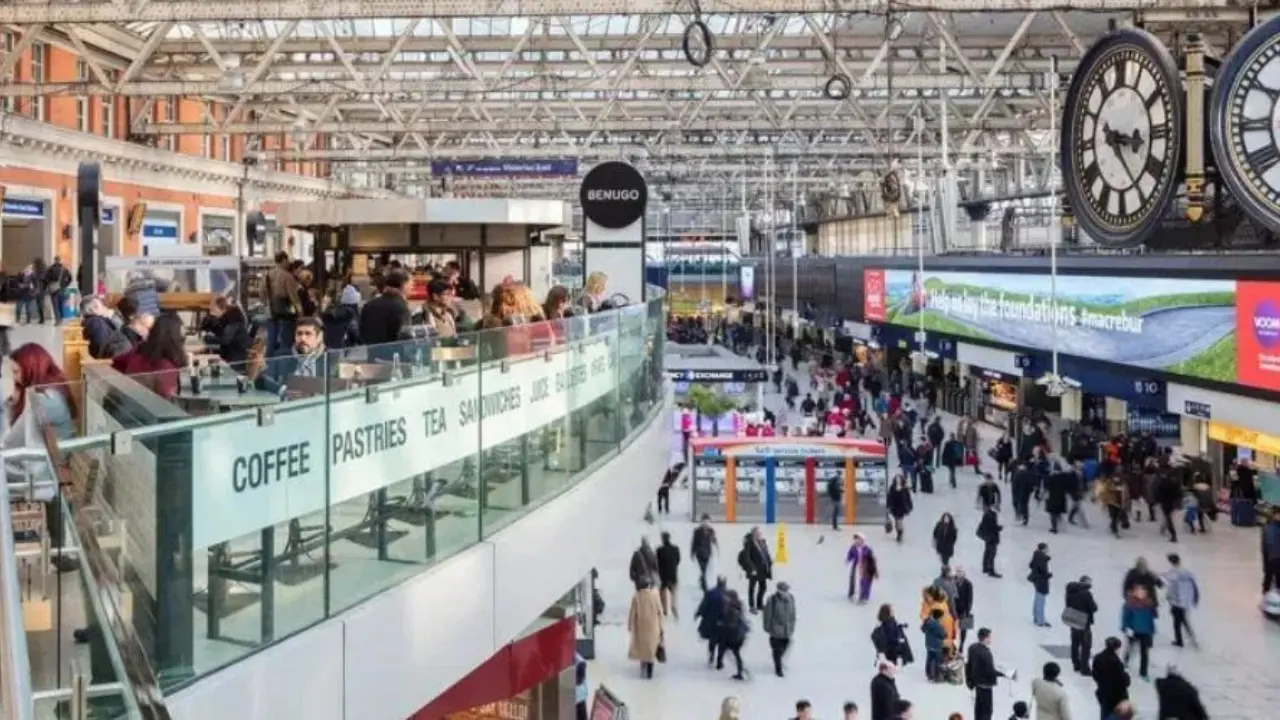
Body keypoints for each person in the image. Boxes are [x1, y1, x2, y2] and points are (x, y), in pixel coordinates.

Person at [111, 312, 187, 400]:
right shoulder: (166, 365)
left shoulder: (139, 349)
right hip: (147, 408)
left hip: (129, 402)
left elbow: (117, 362)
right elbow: (166, 398)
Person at [359, 268, 413, 352]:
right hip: (395, 359)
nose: (412, 287)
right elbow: (406, 337)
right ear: (404, 285)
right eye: (411, 284)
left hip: (372, 355)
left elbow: (362, 333)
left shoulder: (368, 305)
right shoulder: (401, 308)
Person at [263, 251, 302, 358]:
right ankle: (282, 366)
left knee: (271, 341)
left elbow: (262, 294)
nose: (289, 263)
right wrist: (300, 312)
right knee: (285, 342)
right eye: (287, 260)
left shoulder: (267, 275)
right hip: (285, 313)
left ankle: (269, 365)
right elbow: (294, 298)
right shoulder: (287, 276)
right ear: (284, 260)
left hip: (270, 313)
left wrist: (267, 306)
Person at [966, 627, 1009, 720]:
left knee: (978, 708)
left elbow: (969, 664)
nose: (991, 639)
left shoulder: (972, 647)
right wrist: (1005, 674)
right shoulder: (986, 653)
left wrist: (968, 679)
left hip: (976, 682)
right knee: (987, 710)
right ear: (985, 638)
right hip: (986, 684)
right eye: (990, 637)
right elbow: (990, 671)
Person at [626, 577, 664, 679]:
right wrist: (662, 628)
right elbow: (660, 613)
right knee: (651, 650)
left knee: (642, 649)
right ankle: (650, 674)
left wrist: (630, 625)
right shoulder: (655, 596)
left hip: (640, 627)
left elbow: (632, 613)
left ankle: (642, 670)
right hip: (654, 627)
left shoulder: (637, 597)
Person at [200, 296, 252, 365]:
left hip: (239, 355)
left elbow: (225, 340)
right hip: (233, 351)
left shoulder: (233, 318)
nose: (212, 313)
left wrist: (207, 338)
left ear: (219, 308)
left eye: (213, 310)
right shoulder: (226, 318)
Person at [1162, 553, 1199, 648]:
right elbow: (1193, 585)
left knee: (1178, 622)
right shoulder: (1186, 572)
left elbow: (1172, 586)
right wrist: (1195, 597)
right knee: (1182, 620)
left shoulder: (1174, 573)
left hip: (1177, 601)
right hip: (1185, 601)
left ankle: (1181, 640)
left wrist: (1168, 596)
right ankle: (1188, 637)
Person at [1064, 575, 1098, 675]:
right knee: (1086, 646)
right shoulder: (1086, 594)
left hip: (1073, 620)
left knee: (1075, 644)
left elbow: (1068, 605)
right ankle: (1085, 669)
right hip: (1084, 622)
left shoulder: (1070, 592)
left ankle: (1076, 664)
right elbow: (1093, 608)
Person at [1120, 586, 1156, 680]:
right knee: (1130, 647)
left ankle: (1143, 672)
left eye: (1144, 591)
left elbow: (1151, 618)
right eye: (1139, 591)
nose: (1142, 593)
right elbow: (1125, 617)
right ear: (1135, 592)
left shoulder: (1149, 604)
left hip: (1145, 631)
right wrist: (1125, 627)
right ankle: (1125, 661)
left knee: (1145, 652)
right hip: (1133, 630)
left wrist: (1152, 630)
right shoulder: (1130, 604)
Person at [1091, 637, 1130, 720]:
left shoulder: (1098, 658)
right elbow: (1123, 680)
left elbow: (1094, 674)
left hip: (1103, 692)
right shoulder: (1116, 662)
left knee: (1104, 714)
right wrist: (1127, 677)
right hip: (1116, 696)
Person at [763, 582, 796, 677]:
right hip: (776, 630)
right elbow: (767, 615)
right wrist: (767, 627)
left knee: (785, 646)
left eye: (787, 590)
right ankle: (778, 669)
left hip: (787, 629)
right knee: (777, 649)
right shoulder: (772, 600)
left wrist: (792, 626)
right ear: (779, 590)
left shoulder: (791, 599)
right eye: (784, 590)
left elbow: (793, 613)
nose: (786, 592)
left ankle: (778, 659)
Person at [717, 588, 749, 680]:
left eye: (726, 597)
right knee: (731, 652)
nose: (724, 598)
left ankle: (740, 672)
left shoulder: (733, 609)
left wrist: (722, 624)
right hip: (736, 635)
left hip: (734, 636)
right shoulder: (734, 605)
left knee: (734, 653)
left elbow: (732, 624)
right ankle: (737, 670)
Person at [738, 527, 773, 612]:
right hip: (754, 570)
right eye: (757, 533)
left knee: (763, 587)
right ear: (753, 534)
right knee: (752, 588)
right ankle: (752, 606)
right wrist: (752, 568)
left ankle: (759, 604)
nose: (760, 534)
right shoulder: (749, 543)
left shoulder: (763, 542)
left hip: (763, 569)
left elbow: (766, 553)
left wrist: (769, 561)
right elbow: (747, 557)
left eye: (760, 533)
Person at [695, 577, 728, 667]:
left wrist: (698, 614)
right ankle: (719, 661)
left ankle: (711, 655)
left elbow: (703, 605)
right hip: (723, 622)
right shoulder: (727, 594)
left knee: (712, 640)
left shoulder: (710, 593)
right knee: (722, 642)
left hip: (711, 622)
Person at [321, 282, 362, 349]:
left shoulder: (335, 310)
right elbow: (354, 331)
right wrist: (361, 341)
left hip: (329, 346)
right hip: (343, 347)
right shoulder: (350, 313)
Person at [846, 533, 878, 603]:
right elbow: (850, 555)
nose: (856, 541)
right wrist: (848, 560)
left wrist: (874, 570)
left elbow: (872, 559)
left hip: (865, 567)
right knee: (854, 579)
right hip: (856, 566)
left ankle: (864, 596)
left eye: (858, 539)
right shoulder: (853, 547)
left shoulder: (867, 549)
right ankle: (853, 593)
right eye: (855, 539)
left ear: (862, 540)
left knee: (865, 582)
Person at [655, 532, 681, 618]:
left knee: (662, 593)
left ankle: (664, 610)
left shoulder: (659, 550)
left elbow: (657, 562)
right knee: (673, 594)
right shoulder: (675, 549)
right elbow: (678, 560)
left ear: (662, 539)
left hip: (663, 576)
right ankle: (674, 608)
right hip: (673, 575)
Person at [690, 514, 718, 591]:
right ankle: (704, 585)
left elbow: (714, 540)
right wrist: (692, 553)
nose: (706, 523)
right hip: (699, 553)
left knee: (705, 569)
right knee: (703, 569)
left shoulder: (711, 531)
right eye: (704, 521)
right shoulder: (697, 531)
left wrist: (717, 548)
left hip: (708, 552)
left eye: (707, 522)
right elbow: (694, 542)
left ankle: (702, 579)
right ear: (701, 522)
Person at [1029, 542, 1053, 628]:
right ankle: (1040, 621)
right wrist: (1049, 575)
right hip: (1041, 582)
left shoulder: (1036, 556)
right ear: (1043, 549)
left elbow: (1031, 565)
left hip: (1036, 581)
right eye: (1047, 548)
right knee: (1041, 601)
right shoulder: (1042, 558)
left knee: (1037, 599)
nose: (1048, 549)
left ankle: (1036, 618)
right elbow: (1043, 571)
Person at [921, 607, 947, 682]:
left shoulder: (927, 622)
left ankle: (928, 674)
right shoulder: (937, 625)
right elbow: (943, 635)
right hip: (937, 645)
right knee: (937, 660)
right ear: (938, 617)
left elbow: (923, 629)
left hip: (928, 644)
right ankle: (936, 676)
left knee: (929, 658)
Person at [977, 505, 1003, 578]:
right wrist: (999, 528)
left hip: (988, 538)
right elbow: (992, 527)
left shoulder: (987, 514)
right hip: (992, 538)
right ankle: (991, 571)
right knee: (991, 554)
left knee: (987, 552)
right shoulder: (991, 516)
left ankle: (985, 568)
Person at [953, 567, 975, 650]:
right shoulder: (952, 581)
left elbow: (970, 598)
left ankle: (961, 644)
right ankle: (952, 643)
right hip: (954, 607)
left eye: (961, 572)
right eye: (958, 572)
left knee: (963, 628)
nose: (959, 574)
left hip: (963, 608)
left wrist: (968, 609)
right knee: (951, 626)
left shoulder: (968, 584)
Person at [886, 475, 913, 542]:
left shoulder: (905, 488)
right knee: (896, 521)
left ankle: (900, 534)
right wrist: (888, 506)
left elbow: (908, 498)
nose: (898, 481)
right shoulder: (892, 487)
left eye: (899, 479)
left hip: (902, 507)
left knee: (899, 520)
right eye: (896, 479)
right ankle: (899, 532)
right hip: (894, 506)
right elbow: (889, 497)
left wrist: (909, 506)